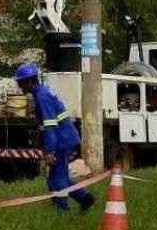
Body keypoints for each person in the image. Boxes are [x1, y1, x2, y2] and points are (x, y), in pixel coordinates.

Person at [14, 63, 96, 212]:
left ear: (29, 81)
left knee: (56, 180)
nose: (20, 86)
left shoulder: (42, 96)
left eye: (21, 82)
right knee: (61, 177)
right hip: (65, 138)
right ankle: (85, 199)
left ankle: (62, 212)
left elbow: (50, 125)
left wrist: (49, 151)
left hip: (61, 141)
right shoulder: (41, 92)